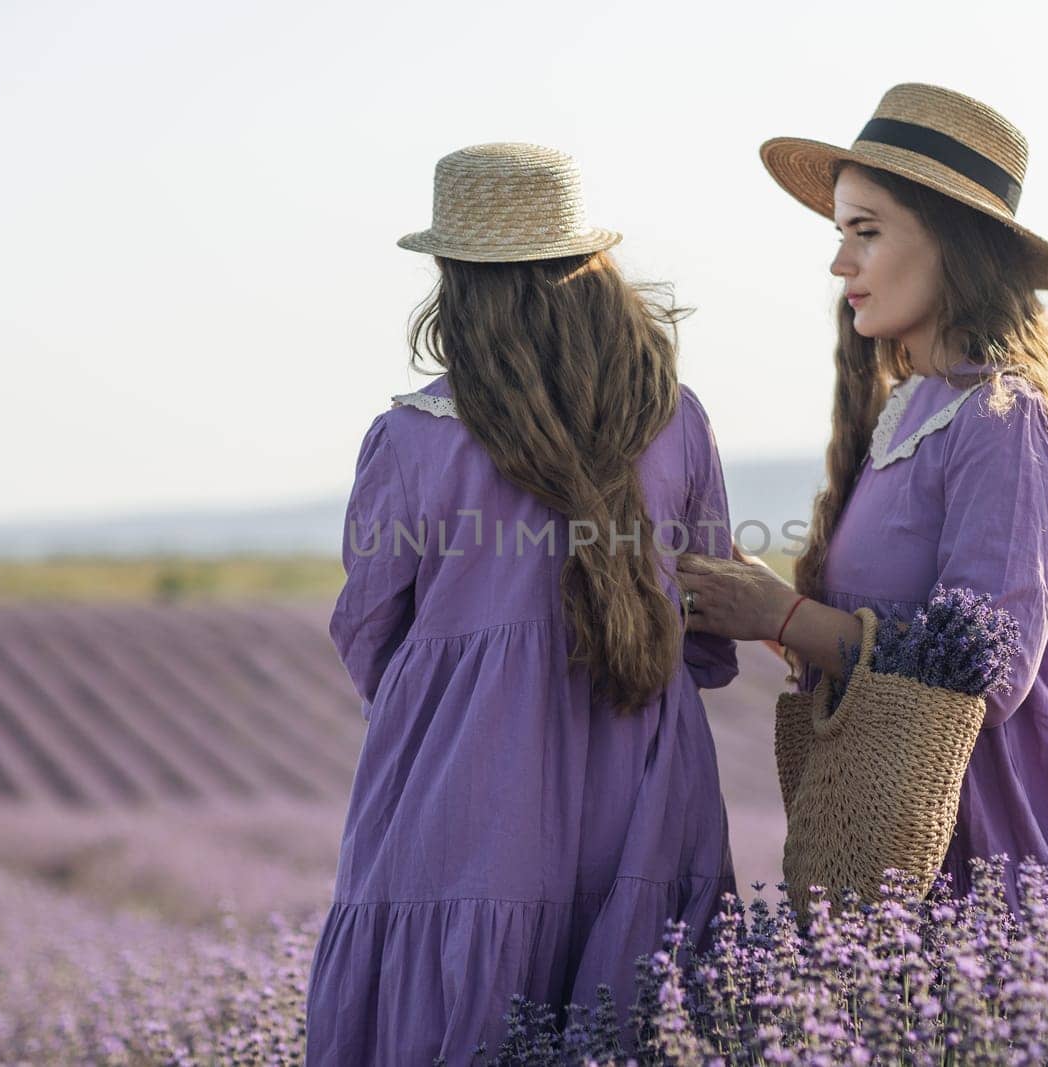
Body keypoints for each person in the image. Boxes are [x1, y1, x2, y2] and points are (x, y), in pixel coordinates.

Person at [677, 84, 1048, 920]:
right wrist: (748, 607)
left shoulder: (1005, 419)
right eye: (840, 234)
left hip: (1008, 833)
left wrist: (781, 615)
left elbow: (989, 669)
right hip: (911, 823)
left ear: (953, 244)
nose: (840, 264)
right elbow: (876, 633)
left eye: (867, 232)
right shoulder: (911, 409)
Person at [303, 142, 740, 1065]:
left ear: (452, 281)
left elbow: (371, 632)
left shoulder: (411, 441)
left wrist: (471, 691)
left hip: (465, 786)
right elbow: (710, 623)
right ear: (592, 271)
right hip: (648, 782)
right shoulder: (676, 417)